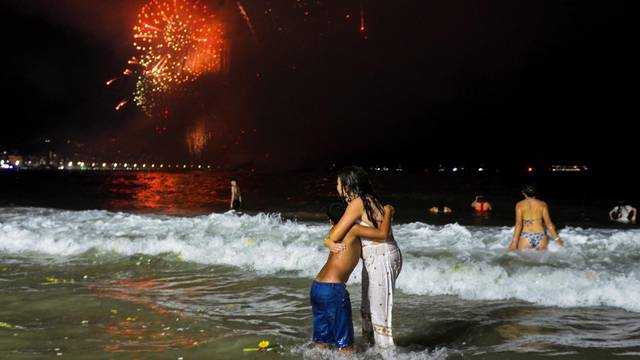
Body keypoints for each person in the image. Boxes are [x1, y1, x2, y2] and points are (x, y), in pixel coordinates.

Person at [324, 166, 402, 347]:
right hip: (381, 256)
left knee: (379, 315)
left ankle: (387, 354)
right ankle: (371, 351)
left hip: (381, 257)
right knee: (368, 311)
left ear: (347, 187)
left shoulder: (357, 203)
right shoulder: (367, 200)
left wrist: (328, 241)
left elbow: (337, 233)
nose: (336, 187)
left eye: (337, 184)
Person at [311, 202, 394, 351]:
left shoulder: (334, 230)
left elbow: (330, 239)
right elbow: (383, 234)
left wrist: (328, 242)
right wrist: (388, 212)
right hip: (333, 289)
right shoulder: (353, 229)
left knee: (322, 342)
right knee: (345, 345)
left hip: (317, 287)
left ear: (331, 221)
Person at [508, 185, 565, 250]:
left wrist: (514, 242)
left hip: (526, 236)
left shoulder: (520, 205)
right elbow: (548, 224)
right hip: (541, 236)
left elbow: (518, 224)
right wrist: (557, 239)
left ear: (523, 193)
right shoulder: (543, 204)